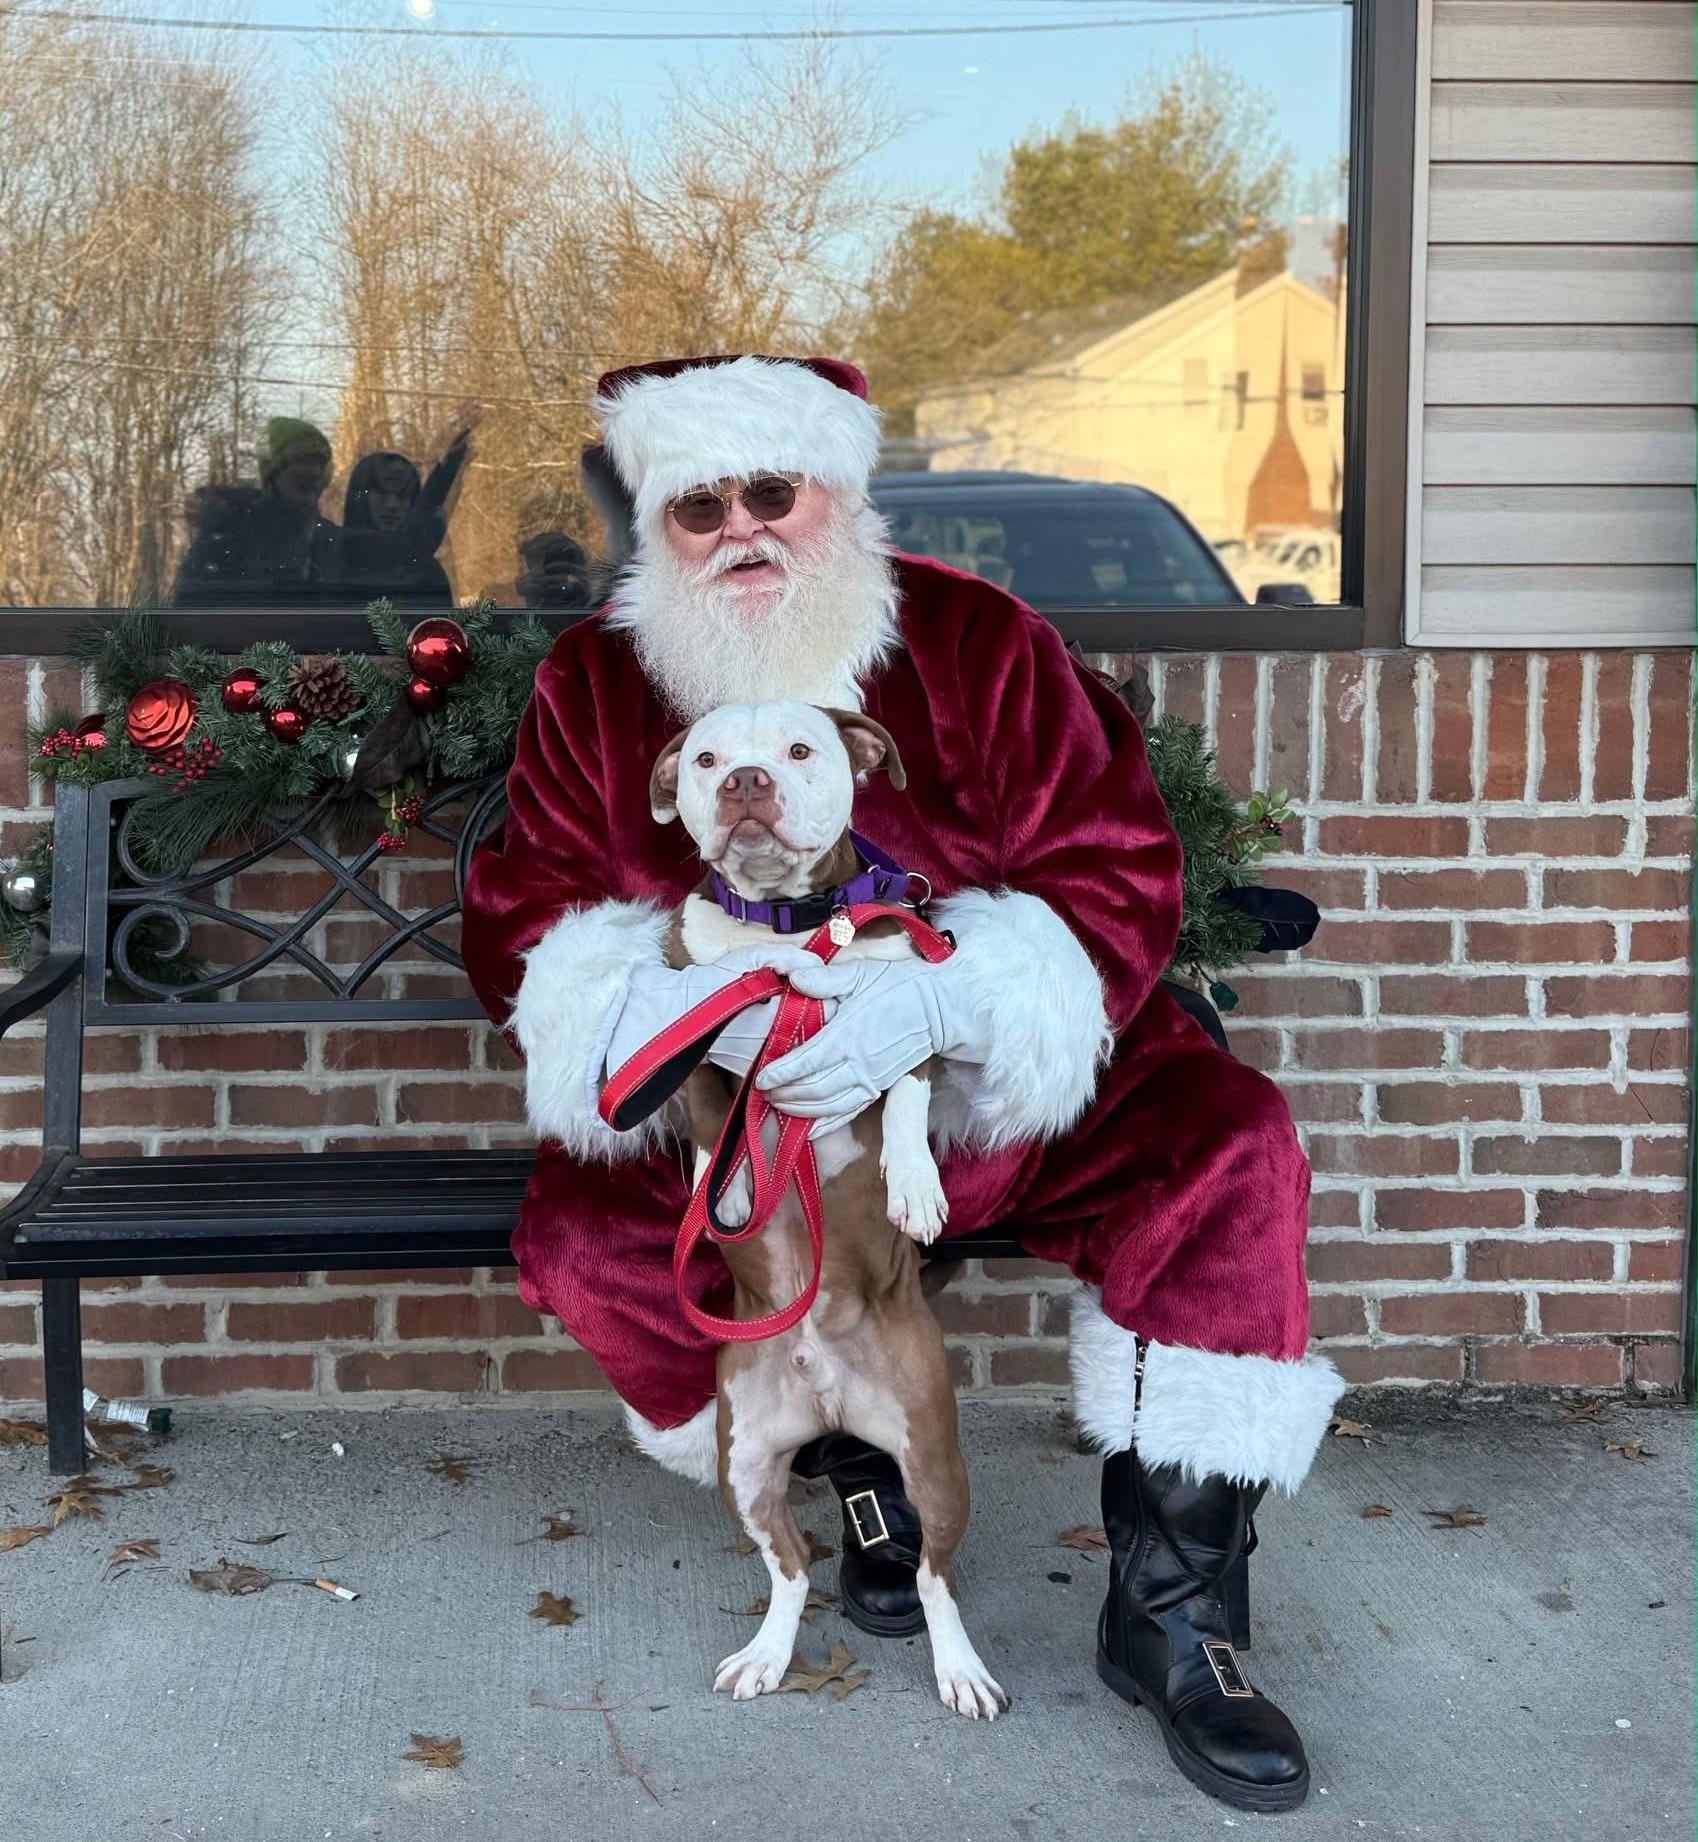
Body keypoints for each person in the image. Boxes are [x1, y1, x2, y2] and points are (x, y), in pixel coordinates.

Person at [460, 354, 1340, 1813]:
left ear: (834, 493)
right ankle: (850, 1478)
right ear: (659, 524)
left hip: (980, 1098)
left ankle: (1177, 1614)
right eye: (696, 505)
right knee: (577, 1241)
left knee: (1225, 1141)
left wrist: (944, 997)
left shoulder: (976, 640)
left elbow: (1114, 865)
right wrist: (689, 1018)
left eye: (770, 491)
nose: (739, 528)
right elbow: (529, 918)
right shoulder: (594, 684)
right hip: (739, 1132)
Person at [171, 417, 342, 607]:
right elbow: (191, 611)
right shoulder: (228, 536)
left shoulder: (328, 538)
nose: (314, 473)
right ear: (272, 474)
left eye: (321, 464)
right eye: (302, 462)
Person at [338, 426, 473, 608]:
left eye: (402, 496)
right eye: (381, 493)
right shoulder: (330, 562)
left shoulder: (426, 570)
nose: (392, 506)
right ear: (360, 498)